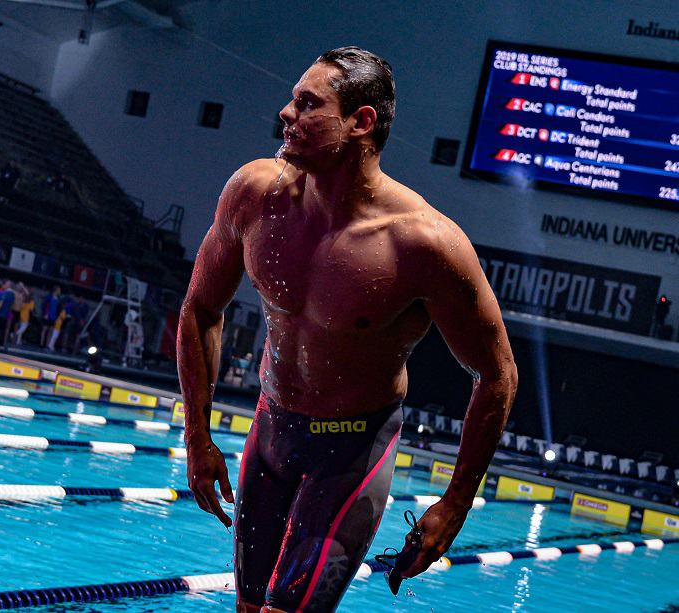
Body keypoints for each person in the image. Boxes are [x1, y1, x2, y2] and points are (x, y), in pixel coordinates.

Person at [176, 47, 518, 613]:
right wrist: (197, 437)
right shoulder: (255, 195)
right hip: (271, 431)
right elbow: (199, 310)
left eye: (308, 104)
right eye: (292, 97)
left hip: (352, 452)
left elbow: (497, 372)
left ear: (361, 122)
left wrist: (455, 503)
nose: (286, 113)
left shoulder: (423, 244)